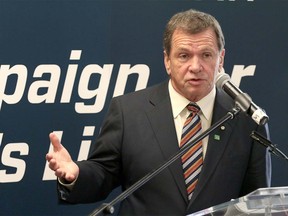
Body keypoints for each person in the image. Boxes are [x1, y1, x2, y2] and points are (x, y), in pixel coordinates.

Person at [46, 9, 271, 215]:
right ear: (167, 60)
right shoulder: (129, 111)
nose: (195, 66)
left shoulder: (247, 120)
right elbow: (103, 172)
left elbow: (257, 202)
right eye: (184, 55)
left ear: (220, 59)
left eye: (206, 55)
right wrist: (75, 174)